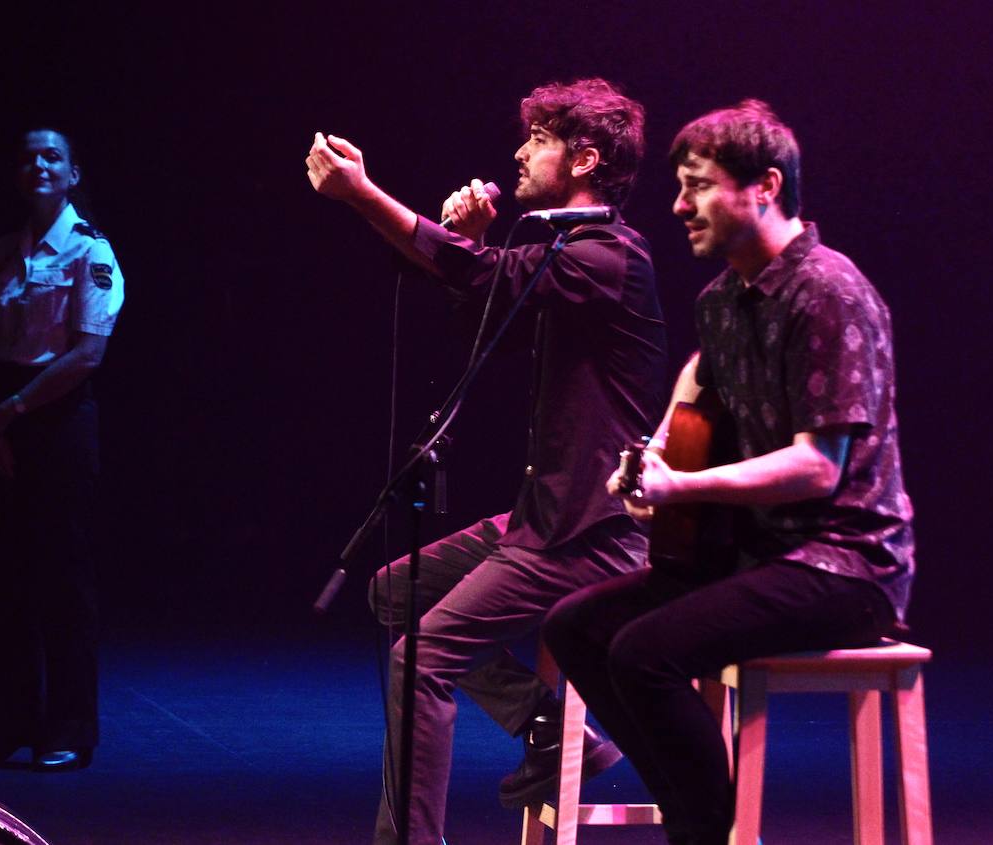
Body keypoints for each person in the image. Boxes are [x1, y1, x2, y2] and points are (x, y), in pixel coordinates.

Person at [305, 78, 667, 845]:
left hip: (594, 533)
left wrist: (364, 196)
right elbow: (489, 310)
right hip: (548, 519)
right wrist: (469, 241)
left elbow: (481, 275)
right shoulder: (564, 252)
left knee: (419, 660)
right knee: (393, 590)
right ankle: (552, 730)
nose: (519, 152)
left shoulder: (610, 256)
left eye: (538, 139)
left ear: (585, 159)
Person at [541, 100, 915, 845]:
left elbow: (818, 467)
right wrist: (654, 455)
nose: (679, 206)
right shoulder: (722, 300)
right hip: (758, 556)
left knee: (644, 652)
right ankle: (697, 818)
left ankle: (703, 832)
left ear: (765, 186)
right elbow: (698, 376)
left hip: (847, 566)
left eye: (698, 186)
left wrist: (683, 487)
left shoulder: (830, 294)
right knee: (576, 627)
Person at [0, 127, 123, 772]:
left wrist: (10, 411)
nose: (39, 165)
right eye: (27, 157)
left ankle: (70, 729)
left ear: (73, 172)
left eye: (52, 156)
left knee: (63, 578)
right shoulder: (1, 250)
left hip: (55, 416)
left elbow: (88, 352)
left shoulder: (90, 249)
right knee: (5, 577)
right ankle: (8, 726)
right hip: (2, 413)